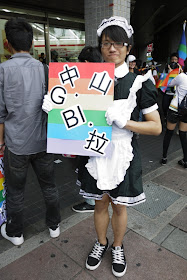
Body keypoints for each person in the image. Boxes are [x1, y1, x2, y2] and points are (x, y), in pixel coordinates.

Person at [78, 16, 162, 277]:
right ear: (100, 47)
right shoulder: (86, 79)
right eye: (105, 43)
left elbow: (156, 126)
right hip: (94, 148)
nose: (111, 48)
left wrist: (126, 123)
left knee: (119, 205)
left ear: (128, 48)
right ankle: (101, 242)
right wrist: (56, 110)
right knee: (99, 203)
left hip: (123, 152)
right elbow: (76, 115)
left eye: (117, 43)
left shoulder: (139, 82)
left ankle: (116, 245)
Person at [0, 17, 61, 246]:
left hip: (15, 144)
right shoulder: (45, 69)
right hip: (44, 141)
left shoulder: (2, 70)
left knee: (16, 191)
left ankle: (16, 233)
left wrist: (0, 144)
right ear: (33, 44)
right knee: (49, 185)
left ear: (8, 44)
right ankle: (54, 225)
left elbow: (0, 114)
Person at [72, 46, 103, 213]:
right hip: (101, 133)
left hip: (85, 132)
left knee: (87, 166)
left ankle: (91, 201)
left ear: (84, 62)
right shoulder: (106, 78)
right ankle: (94, 199)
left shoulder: (82, 80)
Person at [161, 58, 187, 168]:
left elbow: (170, 84)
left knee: (169, 133)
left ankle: (164, 157)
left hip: (175, 108)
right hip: (186, 111)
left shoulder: (181, 77)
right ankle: (185, 160)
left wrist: (172, 72)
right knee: (183, 135)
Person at [162, 52, 181, 121]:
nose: (174, 61)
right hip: (167, 92)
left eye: (175, 59)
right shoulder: (167, 68)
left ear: (178, 60)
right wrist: (169, 73)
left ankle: (172, 121)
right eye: (172, 59)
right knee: (165, 106)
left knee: (174, 109)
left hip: (176, 93)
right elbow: (163, 80)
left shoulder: (180, 69)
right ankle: (165, 117)